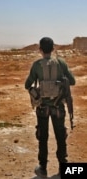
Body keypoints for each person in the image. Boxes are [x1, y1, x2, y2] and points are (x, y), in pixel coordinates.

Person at [25, 37, 75, 178]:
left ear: (40, 49)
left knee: (43, 137)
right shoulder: (61, 63)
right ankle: (63, 168)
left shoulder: (36, 65)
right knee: (60, 137)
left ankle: (43, 169)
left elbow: (27, 85)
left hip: (42, 108)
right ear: (53, 49)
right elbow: (72, 81)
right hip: (58, 108)